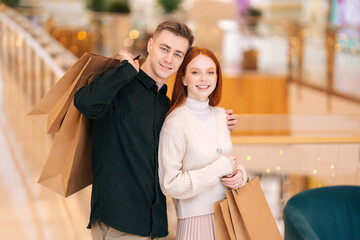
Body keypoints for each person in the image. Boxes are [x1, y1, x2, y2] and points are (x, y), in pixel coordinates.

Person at [74, 21, 238, 239]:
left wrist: (218, 121)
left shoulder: (166, 106)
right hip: (118, 221)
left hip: (152, 226)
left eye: (178, 54)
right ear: (150, 45)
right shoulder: (121, 84)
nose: (169, 59)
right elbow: (85, 103)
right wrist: (124, 72)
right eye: (164, 49)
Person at [158, 47, 247, 240]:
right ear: (183, 78)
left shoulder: (221, 116)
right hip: (196, 223)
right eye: (195, 72)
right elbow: (169, 184)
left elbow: (227, 162)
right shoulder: (175, 123)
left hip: (230, 216)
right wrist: (218, 168)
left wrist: (240, 174)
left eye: (210, 72)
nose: (204, 79)